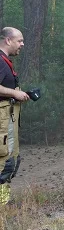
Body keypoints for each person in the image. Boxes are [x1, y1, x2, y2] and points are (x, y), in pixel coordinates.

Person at [0, 28, 29, 205]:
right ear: (8, 40)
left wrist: (17, 94)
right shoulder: (0, 62)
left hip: (8, 118)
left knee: (11, 159)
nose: (22, 44)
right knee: (5, 161)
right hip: (2, 121)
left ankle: (4, 202)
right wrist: (14, 93)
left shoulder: (5, 61)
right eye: (20, 41)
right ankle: (2, 205)